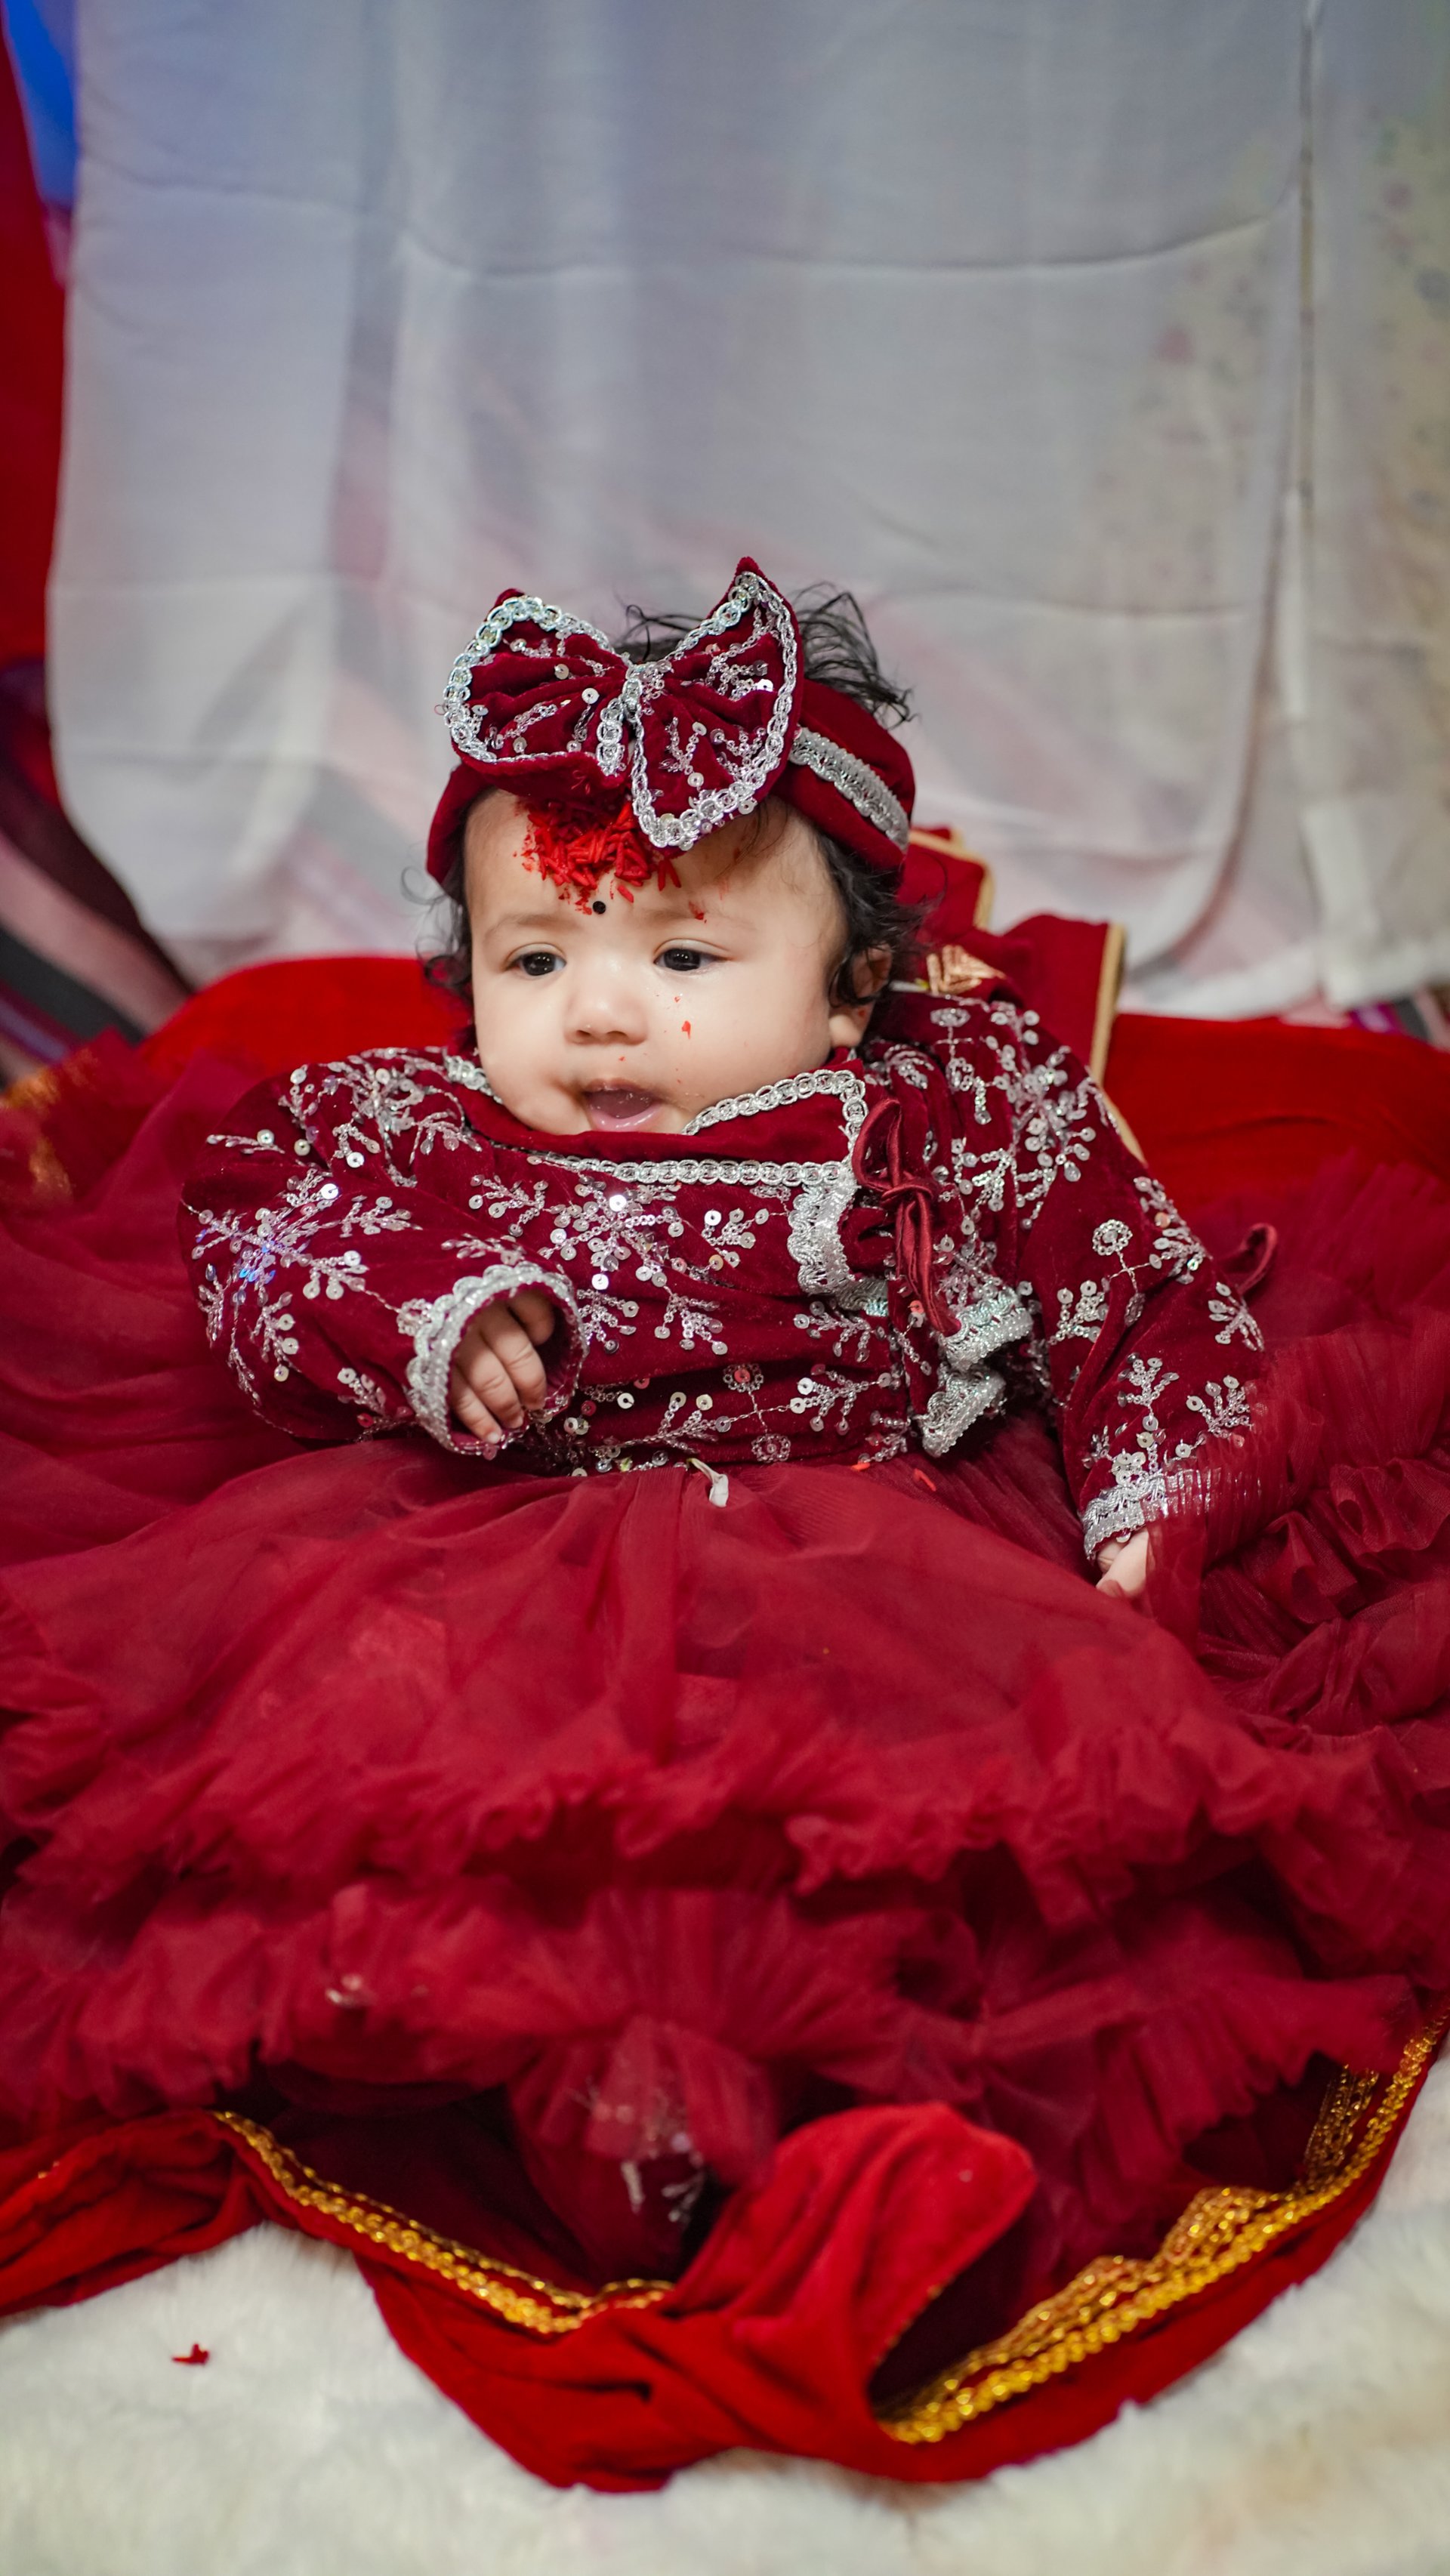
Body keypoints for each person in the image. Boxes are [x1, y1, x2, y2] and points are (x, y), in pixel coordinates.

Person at [2, 561, 1449, 2336]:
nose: (601, 1013)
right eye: (537, 957)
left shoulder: (947, 1099)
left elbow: (1133, 1287)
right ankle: (580, 2077)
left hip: (874, 1548)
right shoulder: (422, 1120)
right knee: (434, 1786)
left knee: (890, 1829)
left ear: (852, 989)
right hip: (501, 1542)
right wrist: (433, 1322)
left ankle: (829, 2089)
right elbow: (263, 1242)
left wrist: (1153, 1499)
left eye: (682, 954)